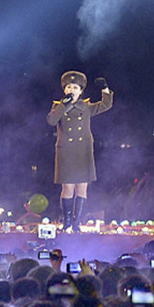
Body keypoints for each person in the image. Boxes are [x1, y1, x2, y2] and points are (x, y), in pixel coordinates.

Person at [47, 71, 113, 233]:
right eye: (69, 87)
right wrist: (64, 105)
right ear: (64, 90)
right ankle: (67, 221)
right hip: (66, 150)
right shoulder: (58, 106)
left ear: (81, 90)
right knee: (68, 187)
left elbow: (106, 105)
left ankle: (76, 223)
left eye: (75, 87)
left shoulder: (86, 107)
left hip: (83, 150)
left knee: (82, 187)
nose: (72, 89)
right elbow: (51, 120)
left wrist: (105, 89)